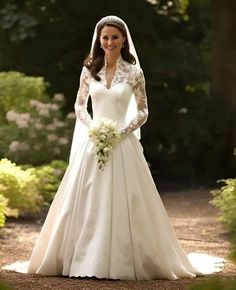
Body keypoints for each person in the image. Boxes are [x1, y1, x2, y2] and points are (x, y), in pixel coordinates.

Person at [5, 15, 224, 280]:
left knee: (128, 199)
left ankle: (126, 258)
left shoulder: (134, 72)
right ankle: (80, 257)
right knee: (85, 199)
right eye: (105, 37)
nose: (109, 42)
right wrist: (94, 128)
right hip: (93, 141)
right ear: (99, 40)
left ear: (123, 40)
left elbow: (143, 112)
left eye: (115, 37)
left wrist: (120, 132)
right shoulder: (89, 69)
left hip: (123, 143)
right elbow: (79, 105)